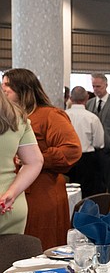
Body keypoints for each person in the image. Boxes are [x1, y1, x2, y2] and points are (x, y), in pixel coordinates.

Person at [2, 68, 82, 249]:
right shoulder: (10, 117)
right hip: (16, 192)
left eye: (8, 85)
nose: (4, 89)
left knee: (40, 247)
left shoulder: (49, 115)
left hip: (42, 193)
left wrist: (34, 159)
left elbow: (72, 150)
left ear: (24, 89)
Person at [0, 89, 43, 234]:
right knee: (11, 255)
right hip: (9, 204)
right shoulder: (15, 116)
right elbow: (35, 161)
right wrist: (12, 192)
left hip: (8, 205)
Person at [66, 86, 105, 197]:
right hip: (87, 160)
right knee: (87, 194)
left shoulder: (63, 115)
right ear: (87, 98)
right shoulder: (92, 118)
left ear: (70, 98)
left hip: (66, 158)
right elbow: (99, 143)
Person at [86, 73, 110, 194]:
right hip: (93, 152)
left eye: (98, 86)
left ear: (106, 85)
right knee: (96, 184)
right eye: (93, 86)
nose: (95, 89)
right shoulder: (89, 104)